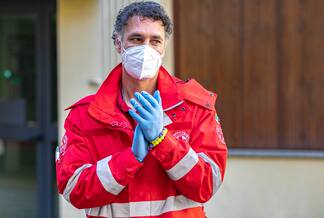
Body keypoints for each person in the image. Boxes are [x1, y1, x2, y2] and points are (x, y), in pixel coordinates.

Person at [56, 1, 228, 218]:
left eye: (154, 41)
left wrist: (162, 141)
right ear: (119, 44)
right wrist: (130, 159)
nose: (146, 48)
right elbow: (73, 190)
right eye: (136, 39)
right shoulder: (84, 116)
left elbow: (207, 185)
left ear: (163, 47)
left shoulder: (195, 107)